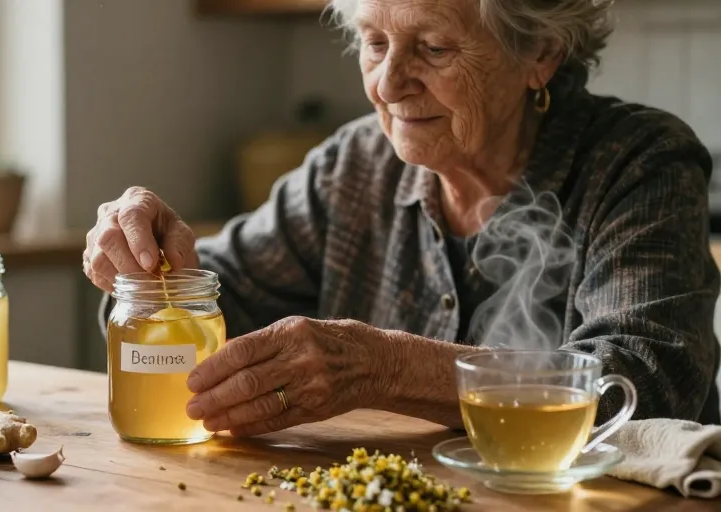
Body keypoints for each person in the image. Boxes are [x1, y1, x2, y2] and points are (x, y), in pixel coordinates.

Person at [83, 0, 721, 436]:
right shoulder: (355, 164)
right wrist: (148, 270)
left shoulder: (638, 161)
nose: (388, 84)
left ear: (541, 54)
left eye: (434, 48)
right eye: (374, 42)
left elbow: (643, 383)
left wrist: (385, 366)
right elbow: (223, 295)